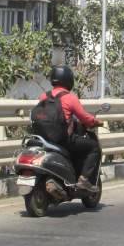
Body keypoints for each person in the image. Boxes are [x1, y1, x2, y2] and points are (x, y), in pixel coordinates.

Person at [33, 65, 102, 196]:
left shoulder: (43, 96)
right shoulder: (70, 98)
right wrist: (96, 122)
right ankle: (84, 180)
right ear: (68, 80)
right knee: (93, 147)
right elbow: (85, 118)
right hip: (62, 140)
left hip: (43, 139)